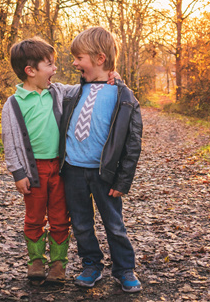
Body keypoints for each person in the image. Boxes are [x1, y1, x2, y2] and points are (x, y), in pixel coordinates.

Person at [59, 26, 144, 293]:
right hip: (73, 170)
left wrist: (124, 180)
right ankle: (91, 264)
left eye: (79, 58)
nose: (74, 63)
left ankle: (124, 268)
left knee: (113, 224)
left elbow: (132, 144)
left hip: (103, 172)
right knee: (82, 222)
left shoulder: (124, 96)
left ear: (99, 59)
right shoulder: (74, 92)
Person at [1, 37, 70, 284]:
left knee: (61, 217)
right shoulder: (13, 104)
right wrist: (18, 173)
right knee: (34, 217)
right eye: (49, 64)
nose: (55, 69)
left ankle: (59, 264)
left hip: (60, 169)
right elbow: (9, 142)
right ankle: (36, 261)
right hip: (33, 171)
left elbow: (86, 88)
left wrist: (110, 76)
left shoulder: (58, 92)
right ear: (30, 71)